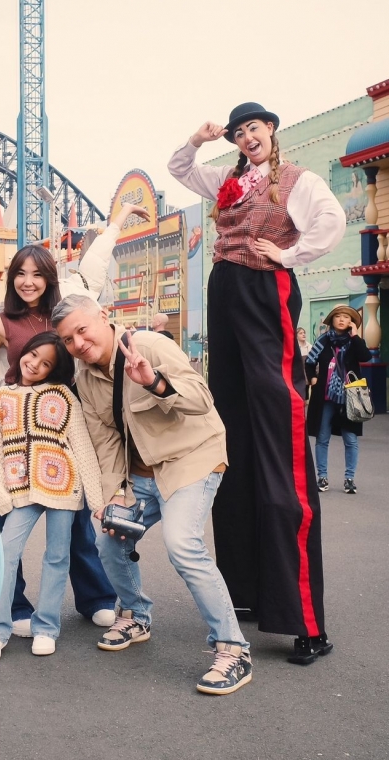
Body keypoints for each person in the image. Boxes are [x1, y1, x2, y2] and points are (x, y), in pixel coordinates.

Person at [168, 102, 346, 664]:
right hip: (225, 291)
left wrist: (289, 254)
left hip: (265, 293)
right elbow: (177, 168)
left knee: (281, 442)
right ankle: (244, 591)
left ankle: (305, 620)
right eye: (239, 131)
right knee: (232, 441)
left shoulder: (297, 179)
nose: (248, 137)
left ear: (272, 130)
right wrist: (196, 140)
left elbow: (331, 221)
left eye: (255, 128)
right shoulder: (228, 178)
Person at [0, 201, 150, 636]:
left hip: (65, 425)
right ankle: (14, 604)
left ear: (49, 278)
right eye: (20, 274)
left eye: (37, 274)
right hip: (20, 430)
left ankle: (95, 596)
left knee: (74, 513)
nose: (27, 282)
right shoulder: (4, 322)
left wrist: (115, 223)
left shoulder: (69, 310)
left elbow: (94, 266)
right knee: (4, 516)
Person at [52, 295, 251, 695]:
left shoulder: (151, 346)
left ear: (103, 318)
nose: (78, 343)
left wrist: (155, 383)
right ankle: (137, 614)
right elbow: (105, 441)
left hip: (190, 459)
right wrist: (113, 496)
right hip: (140, 474)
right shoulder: (86, 378)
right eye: (68, 339)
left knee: (182, 545)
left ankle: (234, 649)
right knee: (109, 540)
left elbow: (201, 399)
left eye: (81, 330)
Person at [0, 332, 105, 663]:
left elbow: (82, 448)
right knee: (6, 553)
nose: (35, 364)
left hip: (63, 486)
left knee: (58, 557)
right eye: (34, 355)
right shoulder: (2, 396)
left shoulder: (63, 396)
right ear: (24, 351)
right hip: (20, 490)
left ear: (54, 369)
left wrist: (97, 499)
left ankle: (46, 627)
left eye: (46, 363)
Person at [306, 305, 371, 495]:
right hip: (324, 398)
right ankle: (322, 477)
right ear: (332, 320)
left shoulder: (354, 342)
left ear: (350, 322)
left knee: (350, 439)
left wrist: (355, 335)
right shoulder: (323, 341)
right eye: (338, 317)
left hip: (349, 398)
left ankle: (349, 479)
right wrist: (312, 378)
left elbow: (365, 357)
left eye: (346, 317)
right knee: (322, 438)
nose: (342, 320)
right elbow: (309, 362)